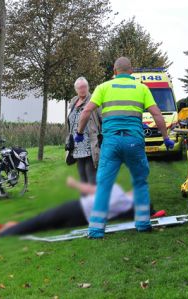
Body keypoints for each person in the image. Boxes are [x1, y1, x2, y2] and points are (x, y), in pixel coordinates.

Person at [75, 57, 175, 239]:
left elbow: (86, 112)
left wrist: (79, 133)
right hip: (134, 142)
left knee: (104, 185)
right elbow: (157, 115)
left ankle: (96, 229)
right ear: (131, 71)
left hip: (111, 143)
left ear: (114, 71)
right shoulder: (141, 88)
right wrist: (166, 138)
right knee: (140, 181)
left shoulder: (103, 88)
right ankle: (143, 223)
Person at [0, 177, 164, 237]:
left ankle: (7, 232)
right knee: (46, 225)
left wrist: (74, 183)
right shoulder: (124, 209)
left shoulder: (119, 194)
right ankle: (13, 230)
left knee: (42, 220)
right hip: (80, 219)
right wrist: (154, 213)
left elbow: (91, 189)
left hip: (77, 209)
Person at [67, 77, 102, 184]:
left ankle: (95, 199)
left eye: (84, 87)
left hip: (91, 144)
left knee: (91, 176)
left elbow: (103, 119)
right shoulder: (73, 101)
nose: (82, 89)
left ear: (88, 87)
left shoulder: (95, 100)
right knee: (82, 176)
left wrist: (102, 137)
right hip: (77, 146)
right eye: (80, 87)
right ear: (76, 89)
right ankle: (86, 199)